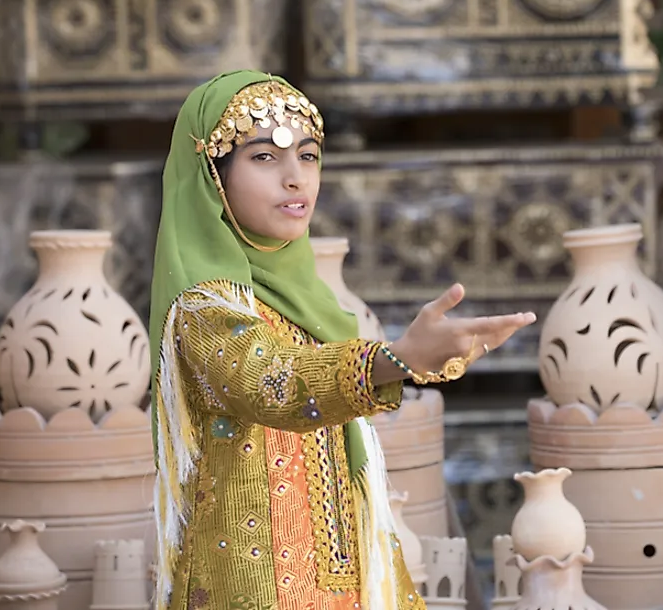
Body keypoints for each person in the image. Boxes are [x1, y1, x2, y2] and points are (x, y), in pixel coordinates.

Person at [148, 70, 535, 610]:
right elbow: (272, 383)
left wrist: (421, 359)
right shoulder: (206, 307)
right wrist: (396, 357)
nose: (295, 178)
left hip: (345, 577)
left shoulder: (312, 304)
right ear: (212, 177)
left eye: (307, 157)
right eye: (264, 158)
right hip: (255, 587)